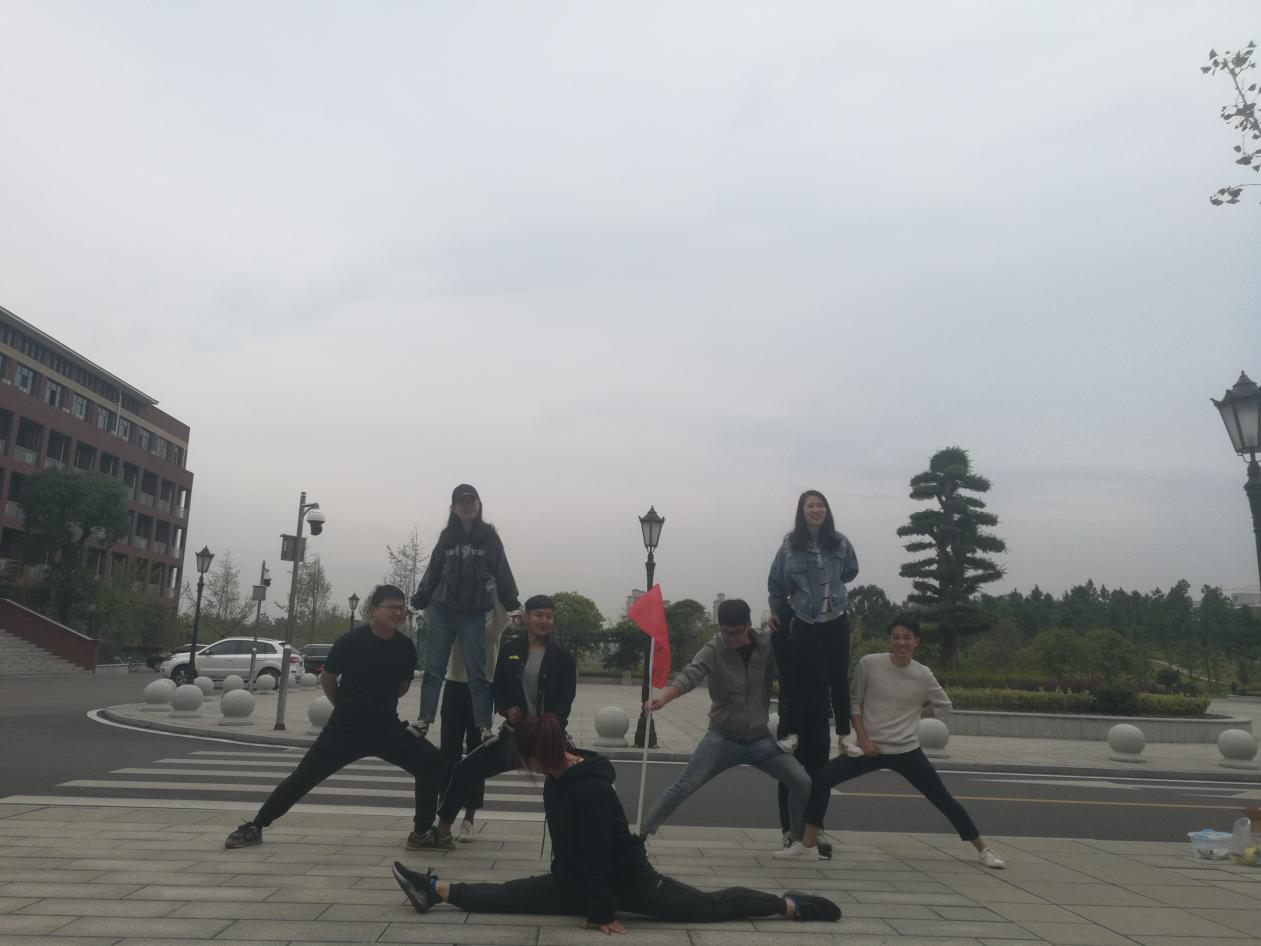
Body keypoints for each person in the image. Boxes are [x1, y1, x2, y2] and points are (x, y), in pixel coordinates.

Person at [391, 714, 842, 932]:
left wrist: (602, 913)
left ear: (539, 755)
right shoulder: (558, 776)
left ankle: (787, 905)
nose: (522, 768)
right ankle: (435, 889)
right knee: (506, 895)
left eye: (522, 761)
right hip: (572, 882)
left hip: (631, 883)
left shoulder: (588, 788)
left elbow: (599, 855)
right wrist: (576, 887)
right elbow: (575, 851)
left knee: (708, 907)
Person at [776, 616, 1007, 868]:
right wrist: (863, 739)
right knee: (821, 779)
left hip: (907, 751)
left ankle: (983, 849)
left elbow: (944, 706)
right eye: (896, 637)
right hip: (870, 748)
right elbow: (854, 702)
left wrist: (914, 715)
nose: (901, 643)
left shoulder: (922, 674)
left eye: (907, 638)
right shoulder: (870, 664)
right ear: (890, 639)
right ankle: (808, 844)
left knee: (942, 797)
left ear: (917, 641)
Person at [224, 585, 441, 850]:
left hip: (386, 727)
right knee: (303, 777)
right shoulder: (351, 641)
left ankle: (421, 833)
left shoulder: (405, 647)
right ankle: (256, 826)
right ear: (374, 610)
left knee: (431, 761)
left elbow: (403, 686)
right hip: (345, 729)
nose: (398, 613)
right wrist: (345, 706)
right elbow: (328, 678)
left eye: (401, 608)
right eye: (391, 607)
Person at [637, 598, 812, 848]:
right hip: (721, 739)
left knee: (802, 781)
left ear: (748, 625)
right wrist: (664, 698)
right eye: (726, 632)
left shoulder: (765, 646)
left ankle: (795, 838)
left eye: (737, 632)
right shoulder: (714, 649)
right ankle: (640, 834)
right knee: (684, 786)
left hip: (760, 740)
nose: (731, 638)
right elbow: (690, 675)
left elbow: (787, 672)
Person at [411, 594, 576, 850]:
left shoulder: (562, 656)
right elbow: (498, 689)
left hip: (548, 736)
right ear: (526, 618)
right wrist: (508, 708)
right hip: (515, 735)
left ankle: (577, 842)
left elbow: (567, 697)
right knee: (466, 770)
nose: (544, 621)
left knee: (580, 779)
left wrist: (554, 721)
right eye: (539, 615)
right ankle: (442, 830)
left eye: (549, 616)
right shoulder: (510, 651)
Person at [412, 484, 520, 745]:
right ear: (454, 508)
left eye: (472, 501)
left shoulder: (489, 537)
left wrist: (512, 603)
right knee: (434, 669)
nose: (468, 505)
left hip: (473, 612)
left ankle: (483, 726)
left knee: (477, 673)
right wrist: (417, 602)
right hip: (443, 609)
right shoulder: (447, 537)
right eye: (462, 502)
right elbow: (433, 571)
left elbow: (502, 569)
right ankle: (424, 720)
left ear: (479, 504)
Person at [767, 489, 859, 754]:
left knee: (838, 677)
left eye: (820, 505)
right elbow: (777, 582)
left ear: (826, 510)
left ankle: (844, 736)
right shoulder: (789, 546)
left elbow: (850, 571)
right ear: (802, 511)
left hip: (836, 617)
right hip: (804, 619)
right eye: (811, 506)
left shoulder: (840, 542)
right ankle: (792, 733)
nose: (816, 510)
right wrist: (776, 610)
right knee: (799, 677)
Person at [436, 588, 511, 843]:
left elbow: (502, 613)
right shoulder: (454, 622)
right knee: (449, 754)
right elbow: (430, 612)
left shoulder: (492, 626)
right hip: (454, 688)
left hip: (482, 690)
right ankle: (443, 815)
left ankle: (469, 819)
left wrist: (493, 584)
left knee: (477, 756)